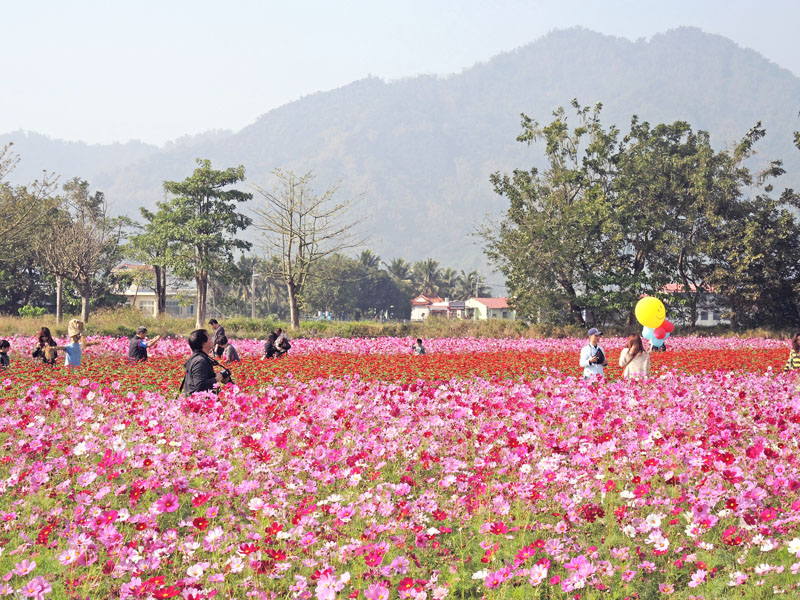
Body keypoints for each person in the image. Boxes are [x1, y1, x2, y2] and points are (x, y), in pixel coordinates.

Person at [182, 329, 227, 395]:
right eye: (209, 336)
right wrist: (216, 379)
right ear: (203, 343)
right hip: (198, 402)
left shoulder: (198, 358)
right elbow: (200, 386)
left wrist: (217, 376)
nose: (211, 338)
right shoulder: (200, 361)